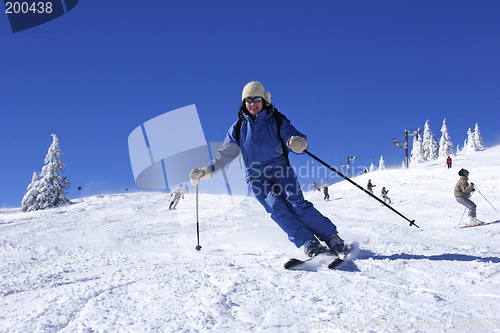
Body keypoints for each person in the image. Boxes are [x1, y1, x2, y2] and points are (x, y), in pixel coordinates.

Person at [189, 81, 345, 257]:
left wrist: (297, 142)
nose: (253, 104)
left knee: (297, 204)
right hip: (256, 177)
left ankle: (332, 237)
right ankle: (308, 241)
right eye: (249, 100)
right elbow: (225, 155)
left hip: (280, 170)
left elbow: (294, 138)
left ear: (264, 100)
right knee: (276, 207)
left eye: (257, 99)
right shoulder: (239, 128)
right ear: (244, 103)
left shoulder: (276, 120)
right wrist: (205, 171)